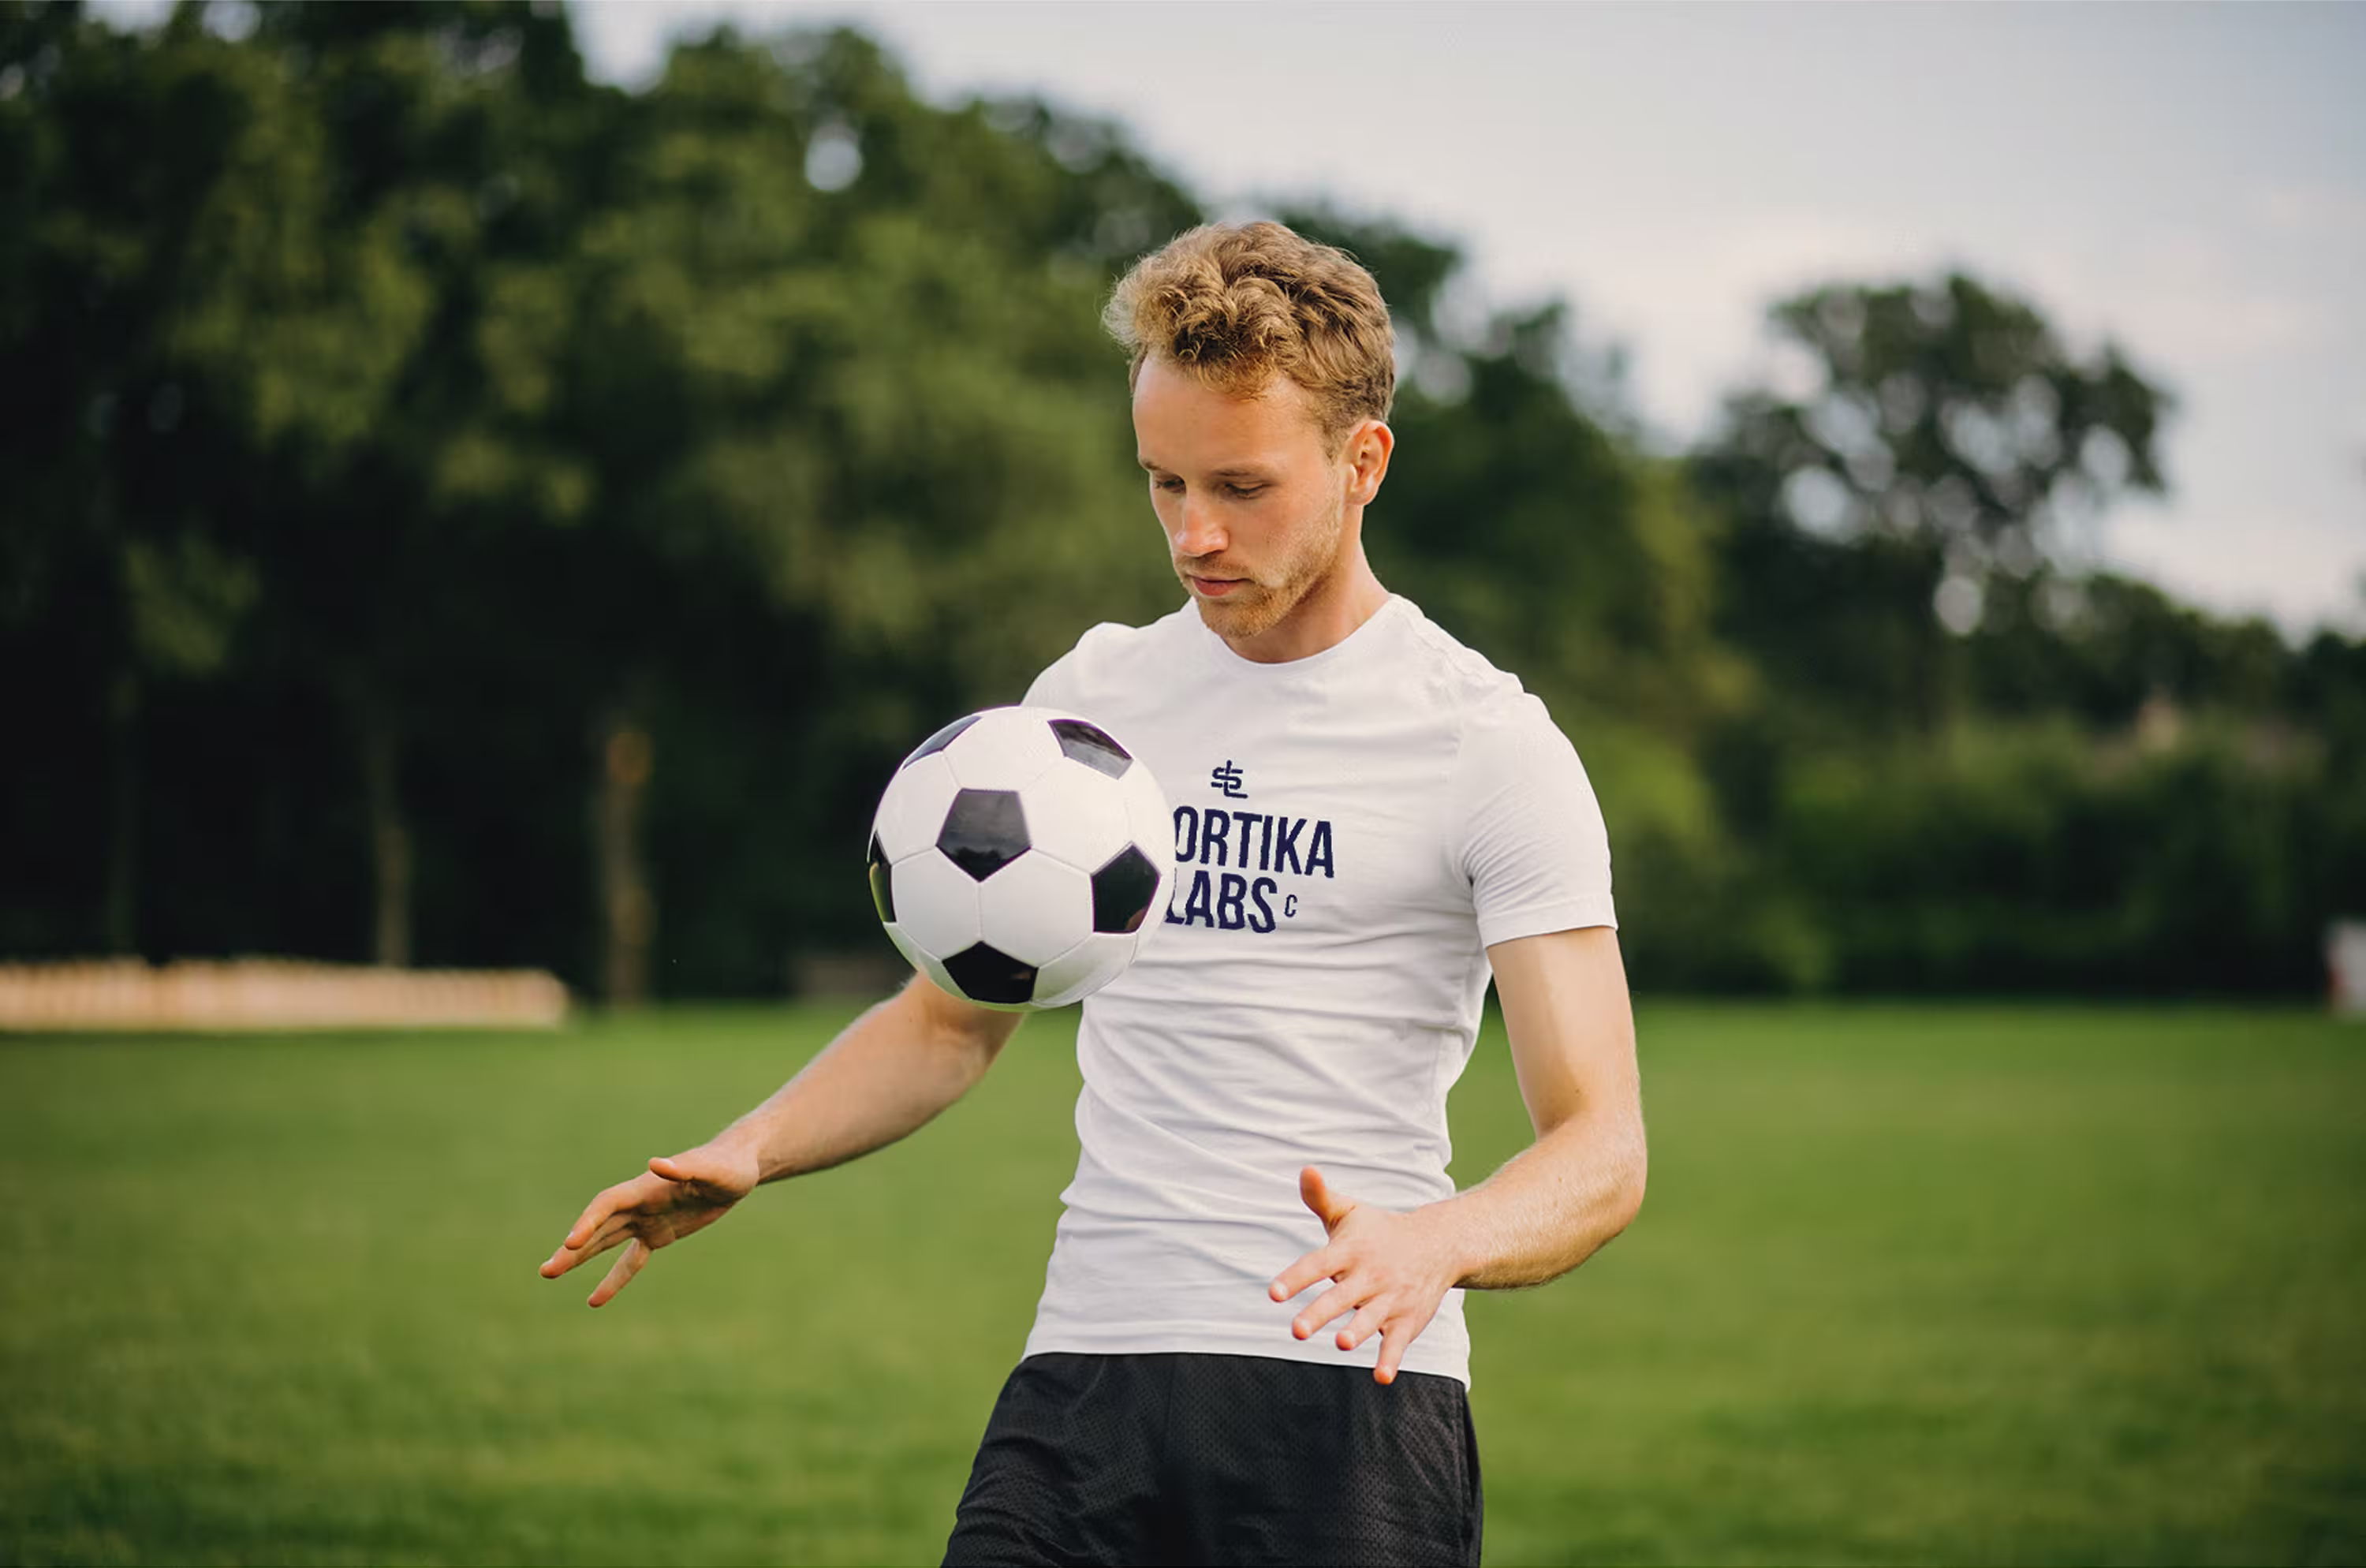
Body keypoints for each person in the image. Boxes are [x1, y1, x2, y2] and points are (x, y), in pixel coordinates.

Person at [539, 220, 1647, 1567]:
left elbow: (1600, 1147)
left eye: (1240, 487)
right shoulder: (1091, 706)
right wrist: (754, 1147)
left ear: (1365, 463)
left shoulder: (1486, 740)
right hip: (1090, 1371)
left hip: (1349, 1392)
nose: (1194, 534)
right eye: (1163, 482)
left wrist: (1436, 1244)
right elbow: (949, 1022)